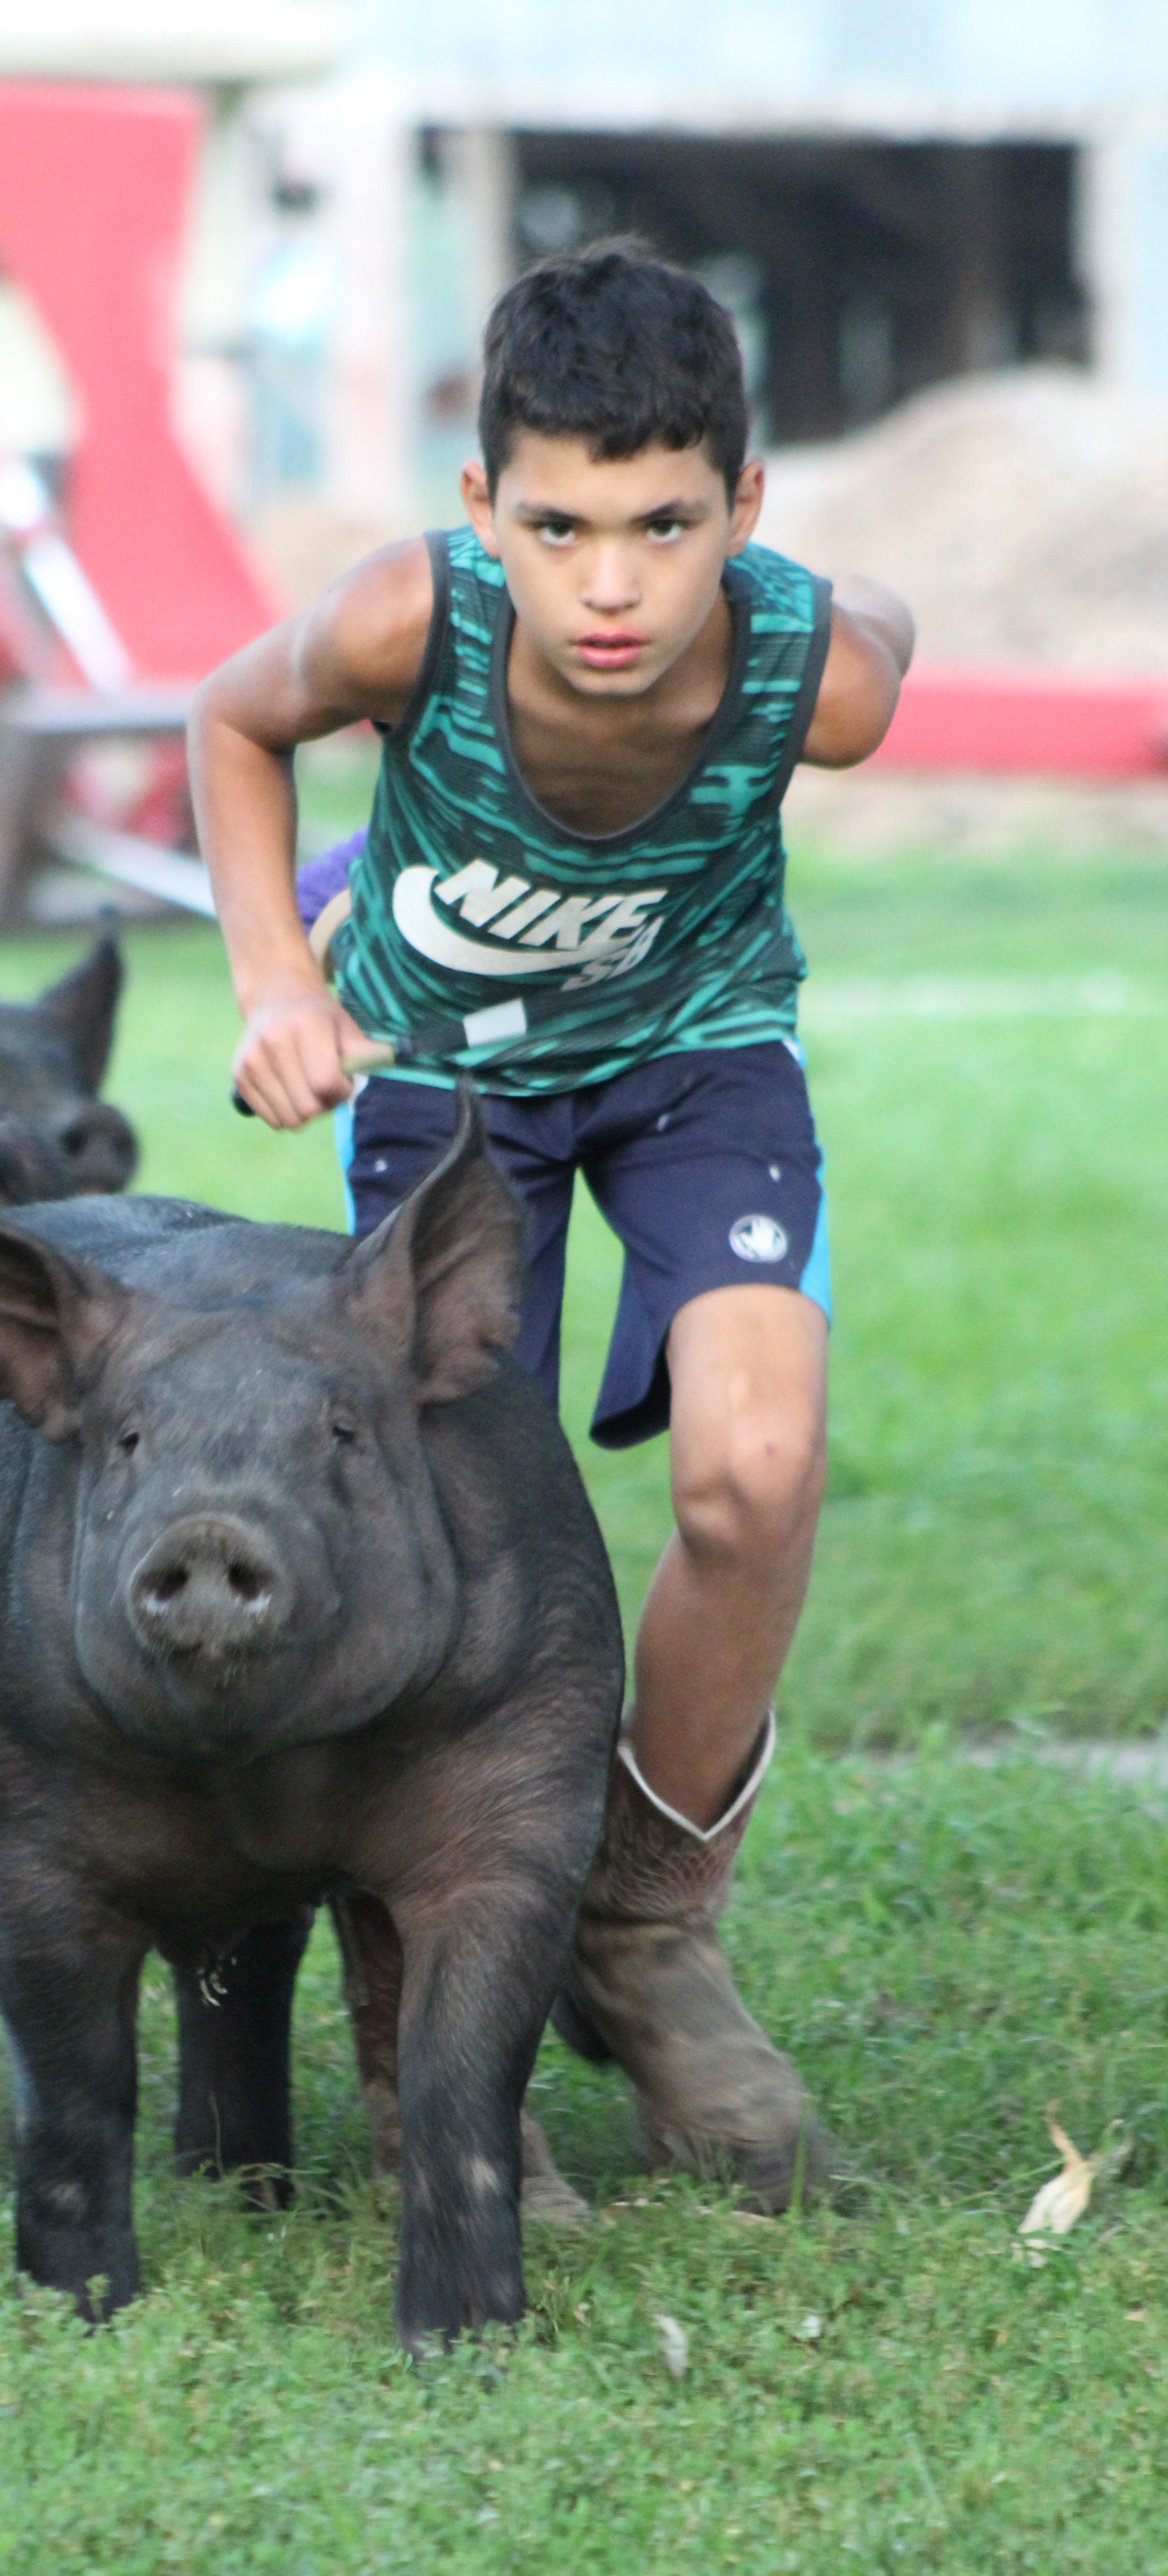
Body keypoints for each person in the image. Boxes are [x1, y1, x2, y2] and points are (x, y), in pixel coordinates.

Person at [189, 242, 914, 2209]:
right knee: (463, 1521)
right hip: (448, 1083)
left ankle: (637, 1928)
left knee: (754, 1475)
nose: (612, 586)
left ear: (746, 517)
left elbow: (885, 634)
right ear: (481, 506)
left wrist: (859, 611)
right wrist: (279, 974)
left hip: (702, 1058)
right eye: (562, 526)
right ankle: (433, 1981)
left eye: (668, 526)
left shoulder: (806, 673)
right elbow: (226, 724)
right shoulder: (400, 627)